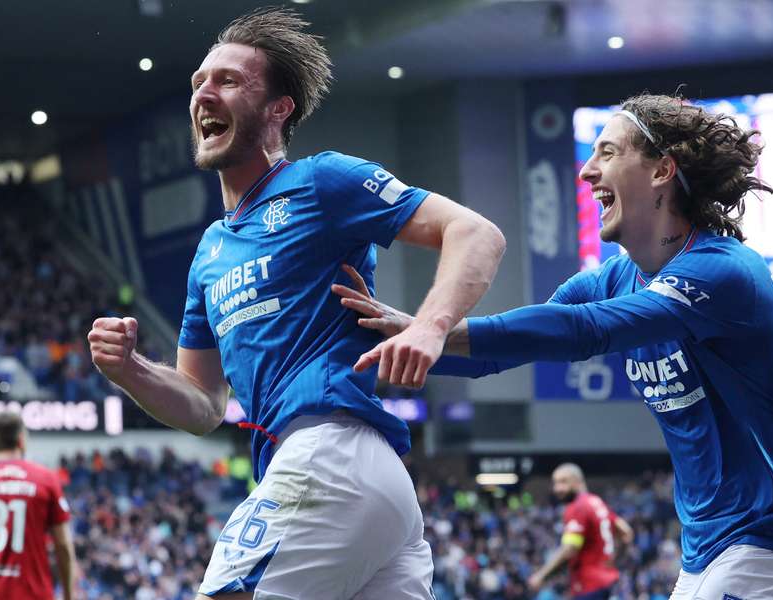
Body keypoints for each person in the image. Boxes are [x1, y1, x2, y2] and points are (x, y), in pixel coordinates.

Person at [334, 94, 773, 600]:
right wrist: (384, 341)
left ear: (663, 169)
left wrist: (429, 328)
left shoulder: (724, 273)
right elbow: (505, 349)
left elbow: (581, 330)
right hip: (707, 547)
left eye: (608, 153)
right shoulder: (613, 279)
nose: (587, 172)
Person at [87, 7, 505, 600]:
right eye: (199, 82)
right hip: (350, 480)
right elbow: (204, 405)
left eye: (228, 81)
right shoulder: (209, 252)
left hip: (330, 455)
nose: (204, 92)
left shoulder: (320, 181)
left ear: (279, 109)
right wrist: (130, 370)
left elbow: (476, 233)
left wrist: (430, 328)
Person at [0, 411, 76, 600]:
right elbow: (63, 545)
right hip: (32, 592)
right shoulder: (45, 479)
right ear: (21, 440)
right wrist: (68, 595)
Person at [527, 463, 632, 600]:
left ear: (577, 481)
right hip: (609, 582)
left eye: (563, 482)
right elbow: (626, 532)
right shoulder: (597, 502)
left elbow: (570, 548)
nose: (557, 488)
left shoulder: (577, 507)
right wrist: (612, 561)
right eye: (556, 483)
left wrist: (541, 575)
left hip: (590, 586)